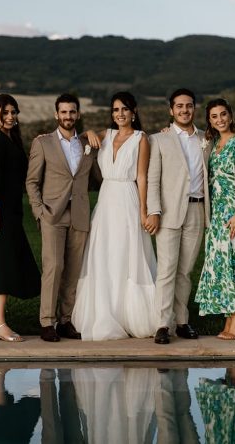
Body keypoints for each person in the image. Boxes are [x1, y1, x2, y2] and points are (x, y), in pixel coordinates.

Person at [72, 91, 158, 340]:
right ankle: (105, 311)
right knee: (104, 255)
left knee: (127, 254)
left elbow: (142, 177)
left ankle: (131, 315)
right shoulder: (106, 135)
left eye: (124, 109)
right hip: (106, 199)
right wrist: (88, 132)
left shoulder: (141, 139)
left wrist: (143, 210)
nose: (120, 114)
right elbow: (80, 142)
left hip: (128, 198)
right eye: (116, 110)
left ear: (134, 112)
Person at [26, 93, 99, 342]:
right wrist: (39, 212)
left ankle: (65, 320)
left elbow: (97, 177)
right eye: (64, 112)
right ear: (57, 114)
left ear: (78, 114)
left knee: (73, 270)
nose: (68, 116)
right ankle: (47, 321)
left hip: (79, 213)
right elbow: (32, 181)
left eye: (72, 112)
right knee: (53, 267)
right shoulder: (43, 143)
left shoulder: (88, 144)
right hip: (52, 214)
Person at [145, 88, 210, 345]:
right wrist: (154, 211)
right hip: (168, 212)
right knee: (166, 270)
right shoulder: (159, 140)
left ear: (194, 109)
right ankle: (163, 324)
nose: (185, 110)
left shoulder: (207, 139)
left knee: (185, 271)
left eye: (189, 106)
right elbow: (152, 179)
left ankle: (182, 321)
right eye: (179, 106)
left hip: (197, 209)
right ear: (171, 110)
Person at [0, 94, 41, 342]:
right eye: (6, 113)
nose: (11, 117)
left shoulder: (10, 139)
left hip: (12, 211)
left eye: (14, 112)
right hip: (0, 211)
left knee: (7, 263)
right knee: (1, 266)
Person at [194, 98, 235, 340]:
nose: (220, 119)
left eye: (223, 114)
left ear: (230, 116)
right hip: (217, 215)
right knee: (221, 266)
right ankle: (230, 316)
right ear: (209, 121)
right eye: (214, 116)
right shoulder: (213, 144)